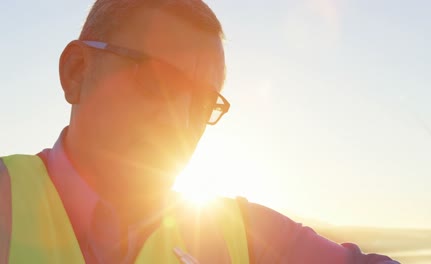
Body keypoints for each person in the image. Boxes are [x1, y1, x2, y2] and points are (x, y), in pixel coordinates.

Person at [0, 1, 400, 263]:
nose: (182, 121)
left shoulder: (244, 236)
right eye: (157, 81)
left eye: (204, 102)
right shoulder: (8, 203)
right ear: (76, 72)